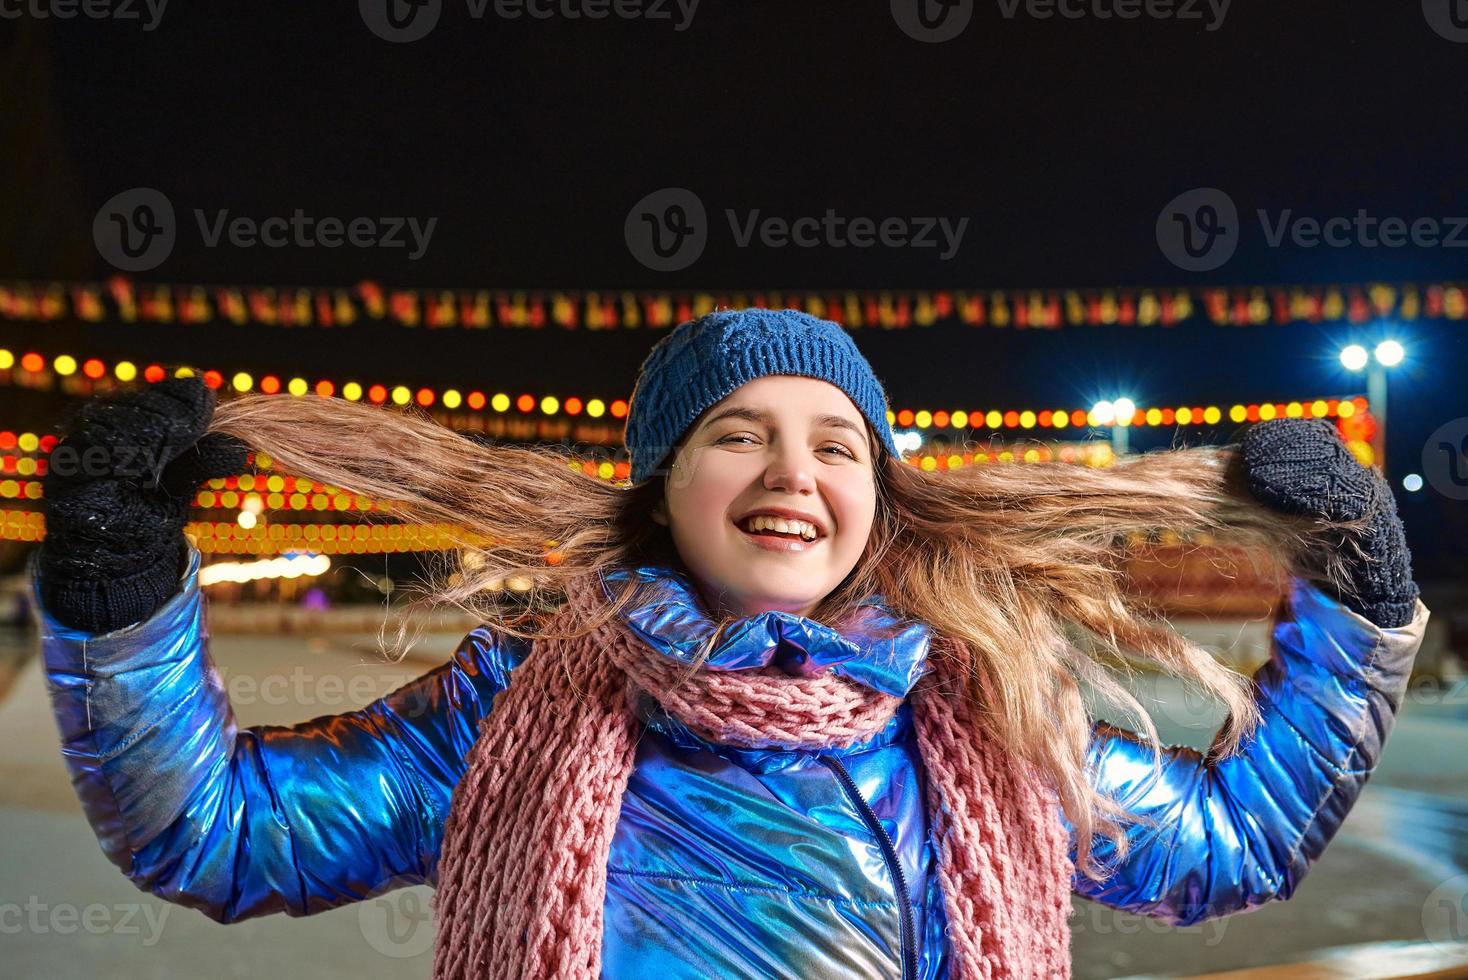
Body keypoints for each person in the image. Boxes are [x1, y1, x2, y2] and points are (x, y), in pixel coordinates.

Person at [33, 309, 1429, 979]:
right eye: (736, 433)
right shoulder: (515, 707)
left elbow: (1227, 844)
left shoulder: (981, 713)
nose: (793, 471)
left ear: (879, 495)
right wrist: (117, 590)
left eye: (837, 443)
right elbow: (216, 834)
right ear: (663, 483)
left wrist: (1358, 607)